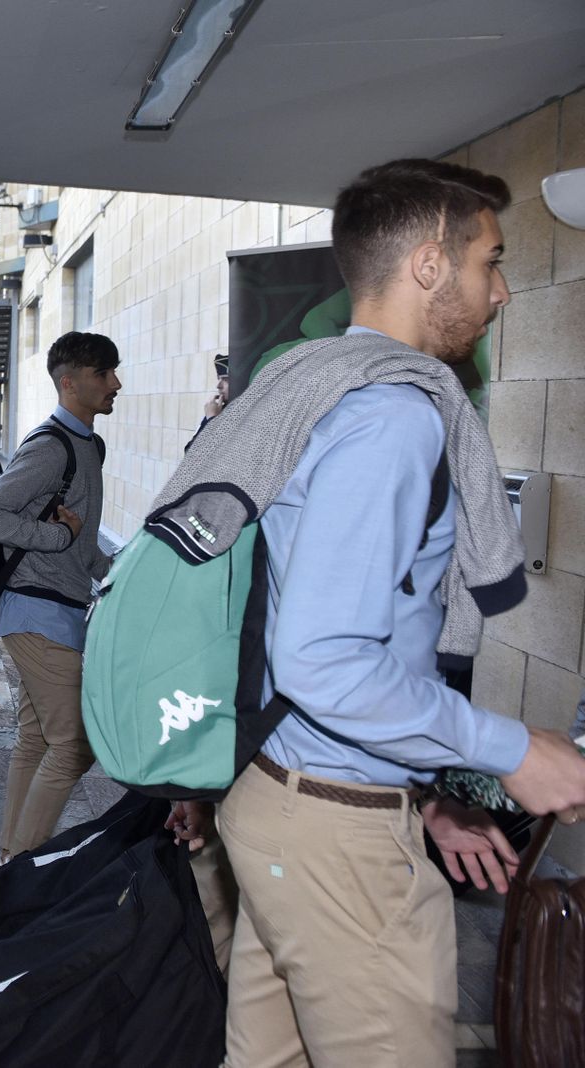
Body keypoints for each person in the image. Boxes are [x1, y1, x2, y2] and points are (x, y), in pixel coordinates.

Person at [186, 158, 585, 1064]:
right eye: (490, 261)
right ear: (429, 264)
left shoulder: (309, 383)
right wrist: (512, 750)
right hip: (338, 838)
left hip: (280, 797)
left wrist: (427, 795)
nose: (503, 292)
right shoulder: (393, 418)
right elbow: (324, 657)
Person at [0, 332, 119, 863]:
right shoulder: (50, 446)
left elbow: (82, 537)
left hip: (61, 610)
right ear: (69, 382)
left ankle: (10, 857)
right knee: (73, 745)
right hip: (36, 612)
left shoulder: (89, 445)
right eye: (104, 373)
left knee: (36, 739)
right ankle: (23, 863)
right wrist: (55, 537)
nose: (116, 383)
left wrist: (116, 572)